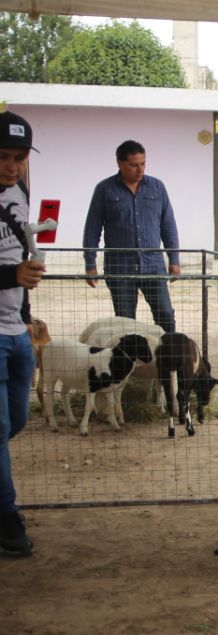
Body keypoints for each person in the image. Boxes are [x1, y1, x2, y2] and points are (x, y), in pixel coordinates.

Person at [83, 140, 181, 334]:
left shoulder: (157, 187)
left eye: (143, 163)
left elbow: (168, 224)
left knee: (165, 315)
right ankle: (130, 362)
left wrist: (174, 259)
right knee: (125, 322)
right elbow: (93, 227)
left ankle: (168, 358)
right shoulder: (105, 189)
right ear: (120, 163)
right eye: (134, 165)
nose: (140, 169)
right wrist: (90, 263)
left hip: (153, 265)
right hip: (120, 267)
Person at [0, 110, 41, 557]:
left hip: (16, 329)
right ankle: (7, 517)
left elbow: (20, 255)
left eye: (19, 157)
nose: (11, 166)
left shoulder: (19, 194)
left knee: (16, 421)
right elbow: (13, 268)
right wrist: (14, 276)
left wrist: (28, 315)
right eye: (4, 156)